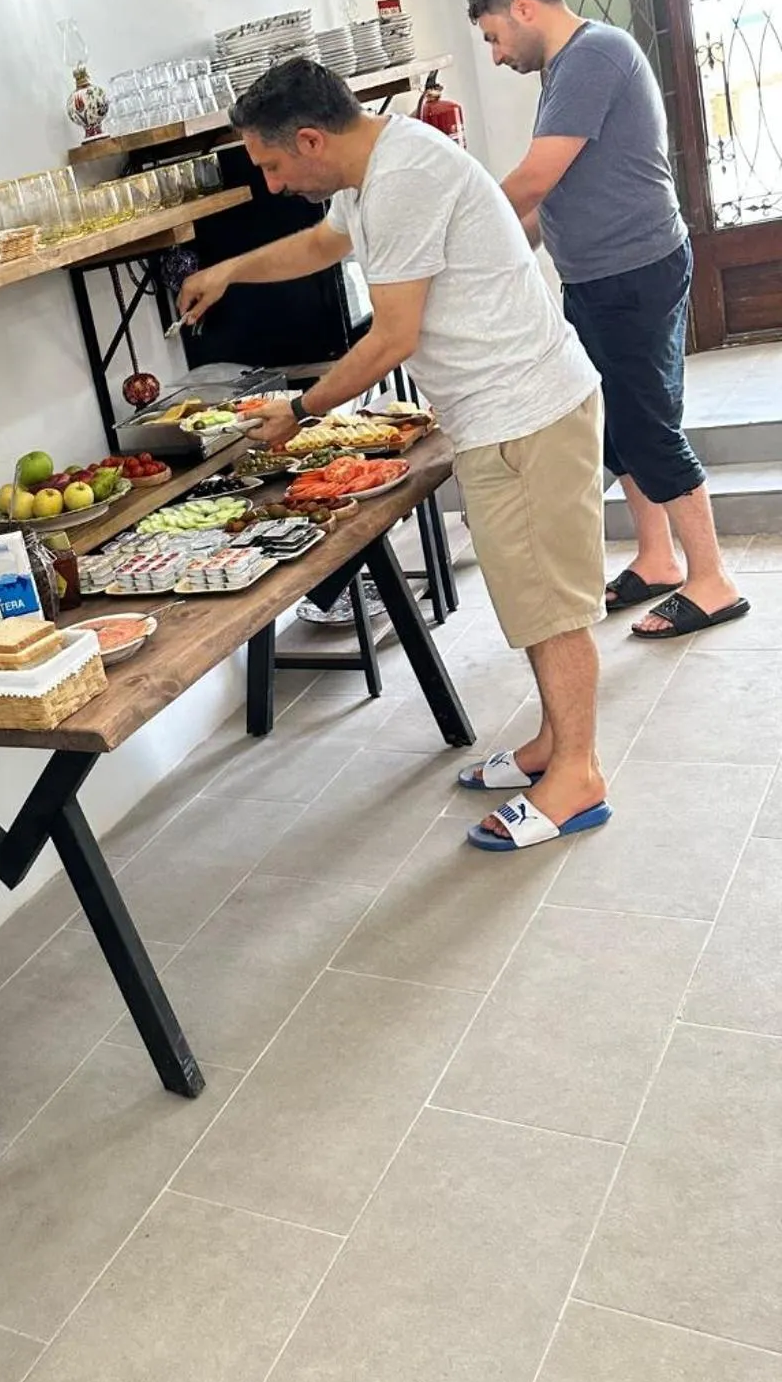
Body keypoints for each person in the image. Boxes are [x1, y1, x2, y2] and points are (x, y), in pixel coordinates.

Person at [178, 59, 608, 854]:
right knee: (532, 597)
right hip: (501, 409)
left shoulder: (406, 174)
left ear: (309, 140)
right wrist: (228, 271)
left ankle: (577, 775)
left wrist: (299, 412)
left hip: (527, 407)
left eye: (272, 165)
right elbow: (319, 243)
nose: (270, 184)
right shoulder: (375, 167)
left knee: (553, 602)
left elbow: (393, 337)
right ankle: (554, 744)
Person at [468, 0, 748, 640]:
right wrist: (496, 267)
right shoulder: (566, 68)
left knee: (648, 426)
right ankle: (657, 560)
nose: (498, 55)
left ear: (524, 8)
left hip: (633, 274)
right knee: (615, 427)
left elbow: (533, 180)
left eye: (494, 37)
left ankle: (711, 579)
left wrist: (456, 232)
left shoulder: (593, 55)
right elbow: (551, 198)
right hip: (600, 278)